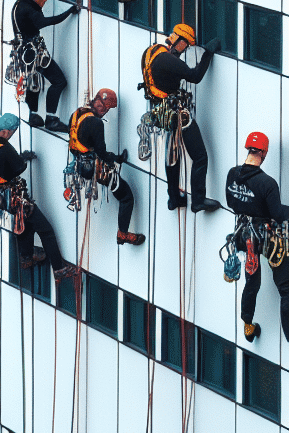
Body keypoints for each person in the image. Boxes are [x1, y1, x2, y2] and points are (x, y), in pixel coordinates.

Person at [0, 113, 79, 278]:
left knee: (25, 224)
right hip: (14, 196)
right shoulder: (3, 147)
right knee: (46, 230)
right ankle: (59, 269)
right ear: (6, 131)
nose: (12, 134)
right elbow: (19, 168)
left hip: (0, 195)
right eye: (12, 131)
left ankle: (26, 257)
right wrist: (22, 159)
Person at [141, 23, 221, 213]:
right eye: (186, 45)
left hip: (159, 111)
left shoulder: (152, 50)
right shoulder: (169, 60)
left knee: (172, 156)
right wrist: (207, 53)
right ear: (179, 40)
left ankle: (174, 198)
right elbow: (195, 76)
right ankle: (198, 201)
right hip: (176, 113)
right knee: (200, 156)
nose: (186, 49)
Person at [226, 131, 289, 343]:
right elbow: (278, 215)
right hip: (264, 239)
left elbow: (231, 203)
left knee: (252, 281)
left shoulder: (232, 174)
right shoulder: (267, 183)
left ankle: (248, 325)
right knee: (285, 287)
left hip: (243, 236)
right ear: (264, 153)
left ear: (248, 149)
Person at [68, 88, 144, 245]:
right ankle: (122, 235)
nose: (105, 111)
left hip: (78, 163)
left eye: (107, 109)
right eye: (105, 108)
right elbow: (101, 153)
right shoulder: (96, 124)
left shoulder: (78, 113)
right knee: (126, 196)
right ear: (98, 102)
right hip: (91, 167)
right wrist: (117, 159)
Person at [10, 0, 78, 130]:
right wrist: (69, 12)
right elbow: (44, 22)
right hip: (33, 52)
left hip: (23, 52)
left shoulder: (21, 2)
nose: (44, 2)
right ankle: (51, 119)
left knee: (33, 82)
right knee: (59, 81)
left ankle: (33, 114)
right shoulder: (29, 9)